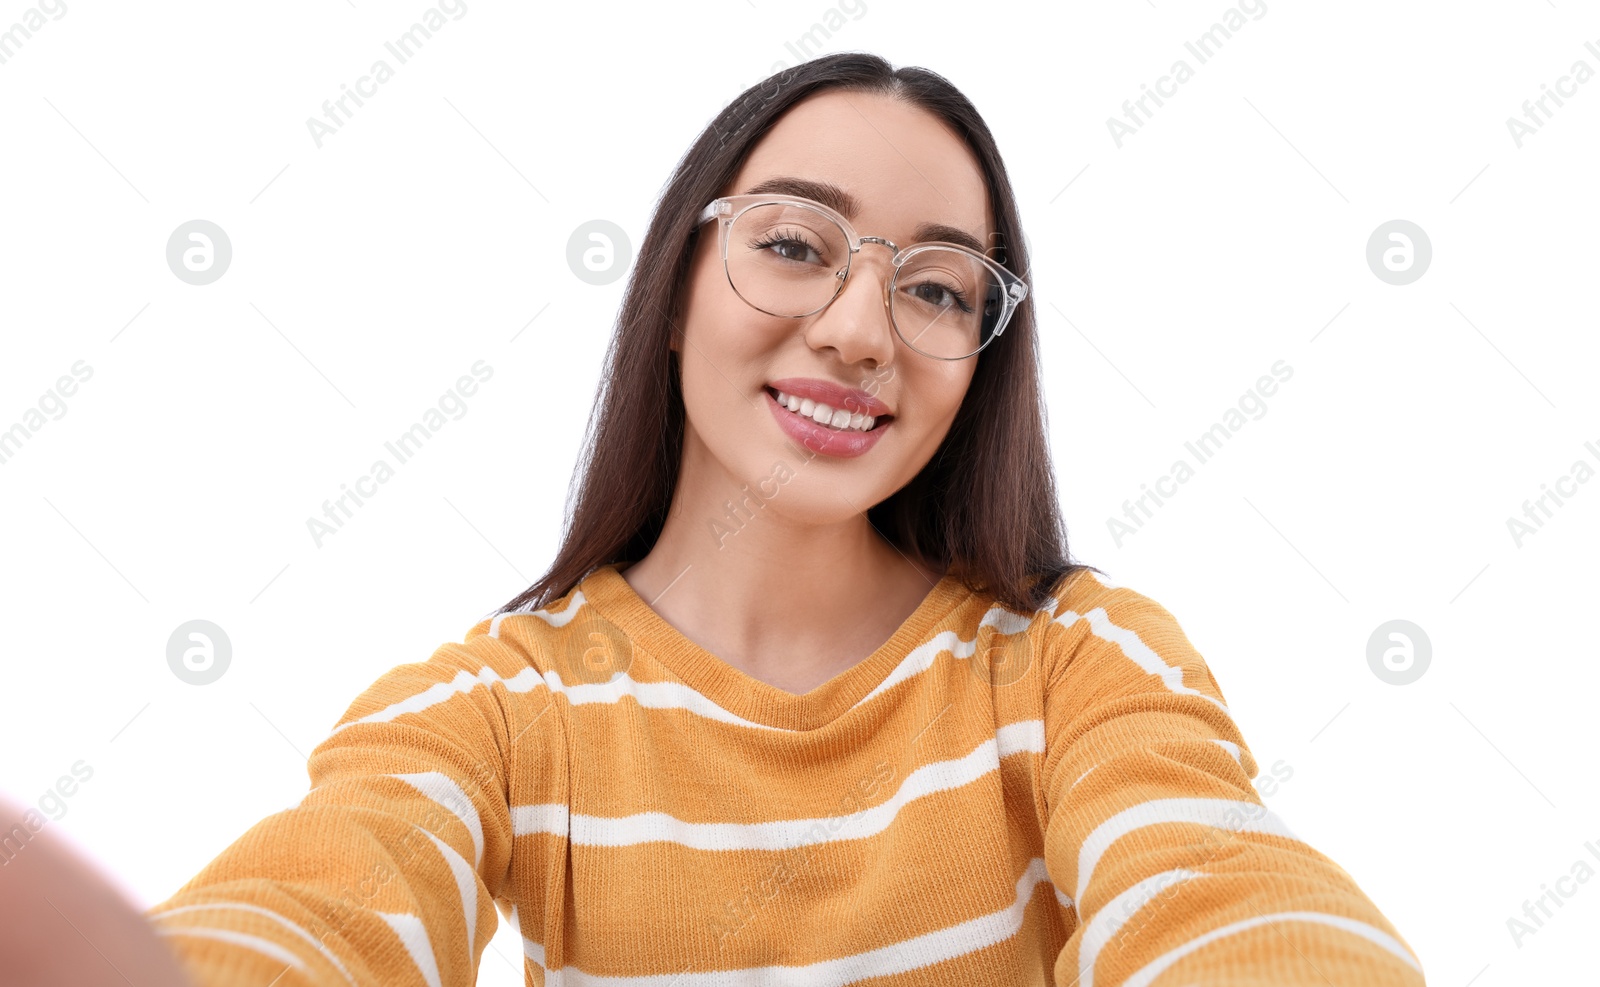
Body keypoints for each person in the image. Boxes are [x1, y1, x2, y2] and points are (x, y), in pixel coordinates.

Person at [63, 54, 1422, 984]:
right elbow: (312, 906)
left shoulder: (1075, 665)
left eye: (940, 291)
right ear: (674, 288)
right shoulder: (499, 704)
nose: (857, 331)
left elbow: (1225, 897)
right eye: (792, 245)